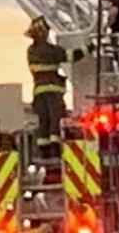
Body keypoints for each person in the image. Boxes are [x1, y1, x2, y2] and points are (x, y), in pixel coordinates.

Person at [26, 16, 75, 150]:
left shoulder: (31, 51)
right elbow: (70, 56)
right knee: (55, 116)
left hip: (38, 91)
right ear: (44, 33)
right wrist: (89, 47)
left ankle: (44, 147)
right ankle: (54, 144)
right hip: (52, 90)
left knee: (44, 119)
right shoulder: (50, 50)